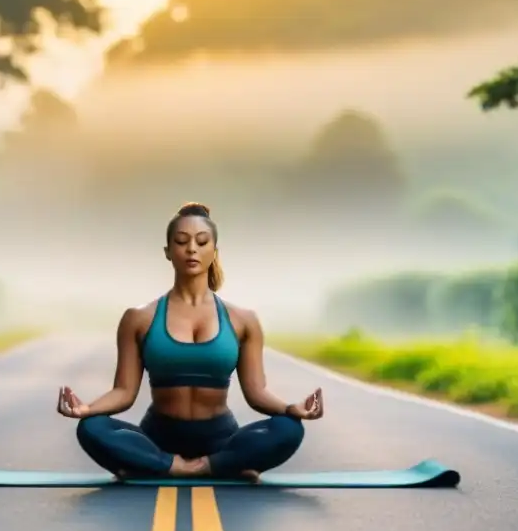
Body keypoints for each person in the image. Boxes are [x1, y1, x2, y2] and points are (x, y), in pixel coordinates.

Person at [56, 201, 324, 482]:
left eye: (202, 241)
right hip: (157, 438)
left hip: (220, 439)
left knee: (289, 428)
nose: (192, 249)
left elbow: (256, 393)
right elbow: (123, 391)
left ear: (214, 252)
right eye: (182, 241)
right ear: (168, 252)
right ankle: (181, 464)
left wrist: (291, 409)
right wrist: (87, 409)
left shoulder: (243, 320)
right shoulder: (139, 318)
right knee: (91, 427)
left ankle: (194, 464)